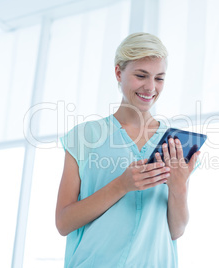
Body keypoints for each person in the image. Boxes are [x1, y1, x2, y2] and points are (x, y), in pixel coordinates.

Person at [56, 32, 201, 268]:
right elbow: (63, 222)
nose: (151, 87)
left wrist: (178, 188)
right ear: (118, 72)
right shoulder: (84, 137)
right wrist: (122, 185)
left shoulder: (174, 143)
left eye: (159, 78)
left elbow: (176, 230)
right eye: (141, 75)